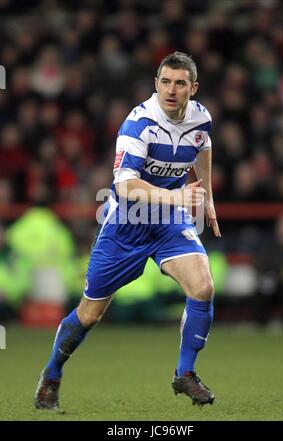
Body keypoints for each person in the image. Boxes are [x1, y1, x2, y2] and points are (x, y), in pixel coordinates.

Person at [34, 51, 221, 410]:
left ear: (192, 89)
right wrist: (178, 194)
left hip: (169, 221)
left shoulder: (201, 119)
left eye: (180, 83)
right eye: (165, 81)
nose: (171, 90)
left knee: (203, 287)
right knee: (89, 314)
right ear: (156, 84)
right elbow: (125, 186)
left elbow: (203, 147)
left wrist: (208, 196)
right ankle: (52, 373)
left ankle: (185, 373)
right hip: (126, 226)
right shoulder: (138, 124)